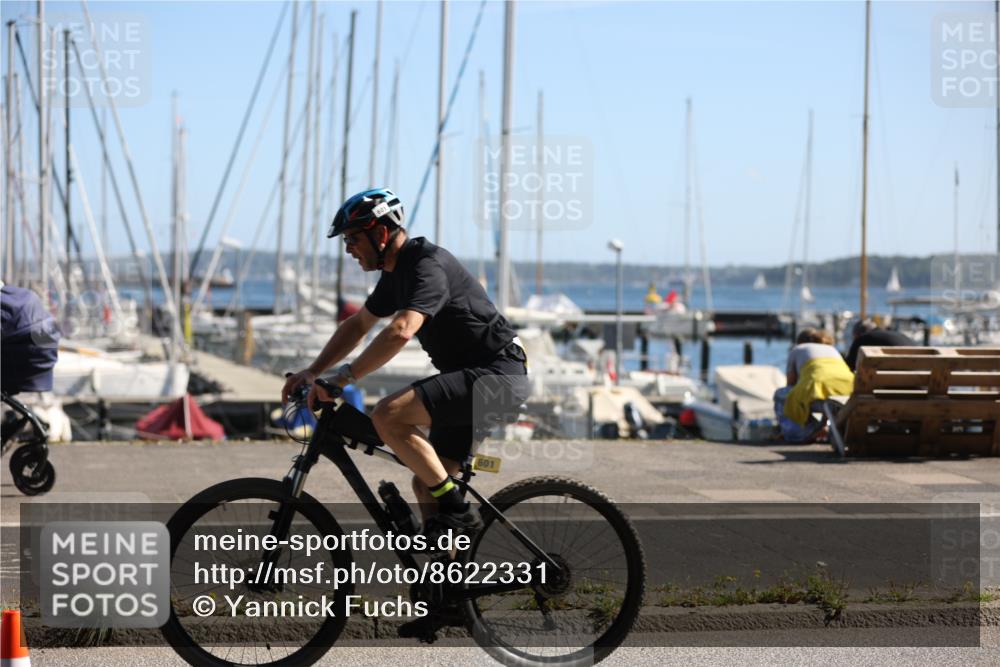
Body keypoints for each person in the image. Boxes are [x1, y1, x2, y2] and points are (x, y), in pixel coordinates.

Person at [281, 188, 528, 542]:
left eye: (352, 239)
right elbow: (357, 326)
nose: (348, 248)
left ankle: (459, 511)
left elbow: (400, 331)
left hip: (497, 375)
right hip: (475, 377)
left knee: (387, 415)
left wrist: (344, 377)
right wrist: (314, 371)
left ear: (380, 234)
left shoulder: (428, 266)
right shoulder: (395, 276)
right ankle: (446, 587)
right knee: (427, 483)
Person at [773, 328, 854, 443]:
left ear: (799, 341)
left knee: (781, 395)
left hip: (819, 394)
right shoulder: (832, 349)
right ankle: (822, 428)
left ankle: (799, 434)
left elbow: (790, 383)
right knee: (818, 395)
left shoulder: (797, 349)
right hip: (848, 395)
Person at [844, 318, 916, 370]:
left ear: (857, 334)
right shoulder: (899, 335)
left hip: (894, 385)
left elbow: (848, 367)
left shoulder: (863, 338)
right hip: (919, 384)